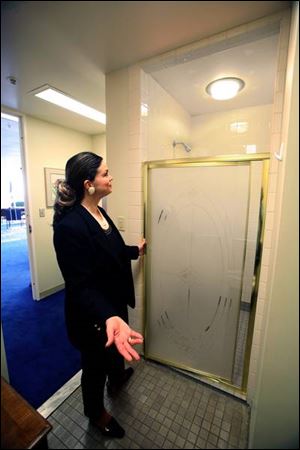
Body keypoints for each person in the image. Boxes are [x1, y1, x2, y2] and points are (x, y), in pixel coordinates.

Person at [53, 151, 146, 438]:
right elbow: (79, 285)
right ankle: (96, 413)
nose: (111, 177)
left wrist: (135, 251)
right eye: (105, 173)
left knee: (113, 356)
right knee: (94, 367)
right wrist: (108, 315)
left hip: (113, 304)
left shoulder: (99, 211)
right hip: (92, 315)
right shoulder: (69, 227)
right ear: (88, 183)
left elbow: (113, 249)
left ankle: (116, 379)